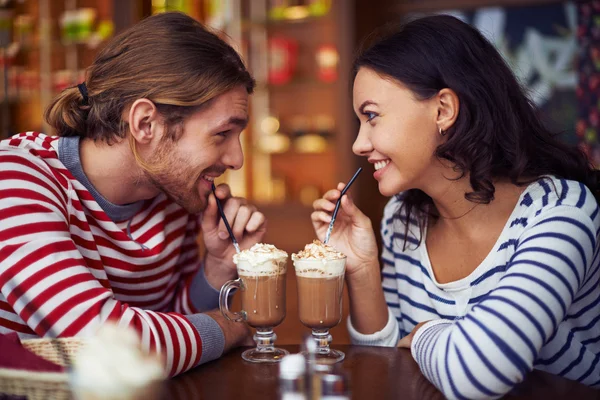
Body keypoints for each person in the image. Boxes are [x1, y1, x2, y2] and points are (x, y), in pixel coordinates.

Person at [312, 15, 600, 398]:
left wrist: (423, 335)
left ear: (443, 109)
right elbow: (385, 367)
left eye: (372, 116)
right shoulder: (403, 218)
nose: (359, 144)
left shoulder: (560, 213)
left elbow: (480, 373)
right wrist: (363, 270)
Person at [0, 12, 265, 377]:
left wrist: (218, 266)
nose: (237, 159)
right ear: (145, 124)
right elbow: (107, 347)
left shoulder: (173, 191)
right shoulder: (15, 181)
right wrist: (232, 326)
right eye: (222, 134)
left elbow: (170, 325)